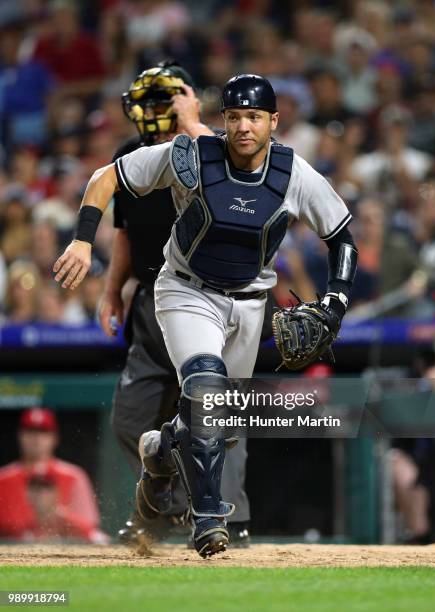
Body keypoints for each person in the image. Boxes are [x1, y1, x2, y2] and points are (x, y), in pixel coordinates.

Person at [53, 74, 358, 558]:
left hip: (251, 304)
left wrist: (337, 303)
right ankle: (209, 519)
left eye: (254, 117)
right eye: (235, 116)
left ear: (273, 122)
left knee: (218, 425)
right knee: (204, 386)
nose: (243, 126)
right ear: (223, 120)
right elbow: (105, 177)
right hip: (185, 290)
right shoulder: (191, 155)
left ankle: (160, 450)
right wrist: (83, 239)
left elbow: (342, 235)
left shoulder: (293, 172)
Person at [97, 61, 251, 545]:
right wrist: (111, 289)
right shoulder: (129, 153)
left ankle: (221, 517)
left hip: (208, 297)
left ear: (188, 99)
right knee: (130, 419)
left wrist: (192, 122)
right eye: (148, 101)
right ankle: (165, 508)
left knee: (213, 413)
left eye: (165, 100)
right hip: (149, 301)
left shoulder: (214, 148)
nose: (152, 111)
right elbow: (124, 232)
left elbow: (235, 181)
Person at [0, 407, 107, 543]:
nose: (36, 438)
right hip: (11, 556)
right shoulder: (2, 479)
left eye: (43, 432)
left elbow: (91, 530)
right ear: (20, 435)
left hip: (64, 556)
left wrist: (61, 516)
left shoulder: (74, 475)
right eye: (30, 431)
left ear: (54, 437)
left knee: (100, 540)